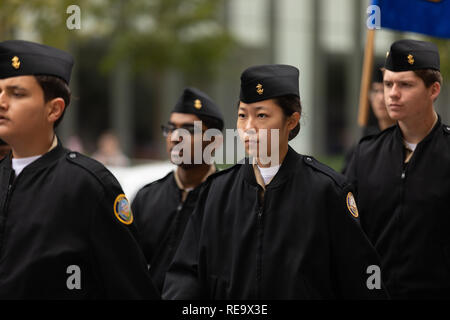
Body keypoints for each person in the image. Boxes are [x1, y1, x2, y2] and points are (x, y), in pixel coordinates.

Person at [163, 64, 387, 299]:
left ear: (291, 121)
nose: (248, 128)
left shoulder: (326, 191)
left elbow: (364, 276)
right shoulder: (216, 192)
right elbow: (185, 272)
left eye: (261, 115)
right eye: (242, 116)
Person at [0, 40, 158, 299]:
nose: (2, 102)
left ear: (54, 109)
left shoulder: (88, 185)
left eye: (17, 94)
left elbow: (132, 288)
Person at [345, 39, 449, 299]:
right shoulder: (366, 154)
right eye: (389, 83)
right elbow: (346, 233)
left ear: (433, 89)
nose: (392, 93)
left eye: (405, 85)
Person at [132, 87, 224, 294]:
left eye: (188, 130)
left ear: (214, 141)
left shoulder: (227, 201)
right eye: (171, 128)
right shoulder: (147, 198)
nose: (175, 137)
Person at [342, 65, 395, 174]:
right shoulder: (363, 143)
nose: (380, 98)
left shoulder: (408, 139)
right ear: (369, 96)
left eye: (385, 90)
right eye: (376, 91)